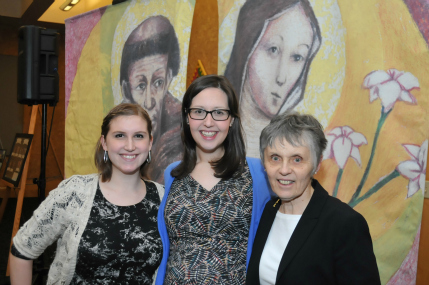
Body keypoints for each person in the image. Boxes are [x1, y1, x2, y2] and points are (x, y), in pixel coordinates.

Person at [10, 103, 164, 284]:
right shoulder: (74, 193)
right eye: (119, 135)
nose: (129, 146)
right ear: (104, 142)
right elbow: (22, 249)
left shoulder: (163, 198)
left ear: (150, 142)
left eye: (138, 136)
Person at [155, 75, 272, 284]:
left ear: (232, 120)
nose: (208, 122)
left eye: (219, 113)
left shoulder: (258, 174)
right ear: (187, 117)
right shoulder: (173, 174)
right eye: (199, 112)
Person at [246, 111, 381, 284]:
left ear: (317, 164)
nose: (284, 169)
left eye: (297, 159)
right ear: (264, 163)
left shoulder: (345, 224)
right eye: (275, 158)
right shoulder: (269, 210)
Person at [224, 0, 321, 157]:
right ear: (247, 47)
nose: (281, 77)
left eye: (297, 57)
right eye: (273, 49)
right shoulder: (207, 134)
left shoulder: (297, 154)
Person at [120, 15, 182, 182]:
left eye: (158, 83)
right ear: (127, 90)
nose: (149, 101)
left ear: (169, 79)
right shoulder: (119, 130)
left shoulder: (181, 137)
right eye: (140, 86)